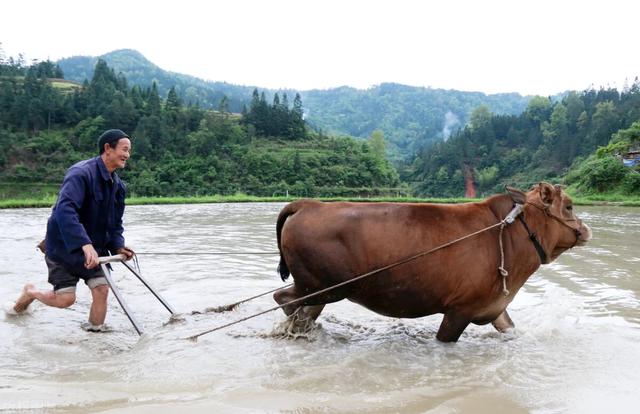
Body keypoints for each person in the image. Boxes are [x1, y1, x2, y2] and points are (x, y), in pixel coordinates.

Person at [8, 129, 135, 331]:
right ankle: (31, 292)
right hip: (64, 247)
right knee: (66, 299)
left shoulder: (118, 186)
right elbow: (64, 211)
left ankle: (95, 335)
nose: (127, 155)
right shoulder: (81, 173)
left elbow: (115, 223)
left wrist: (118, 247)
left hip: (95, 251)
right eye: (124, 149)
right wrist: (84, 244)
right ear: (108, 149)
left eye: (129, 151)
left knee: (102, 289)